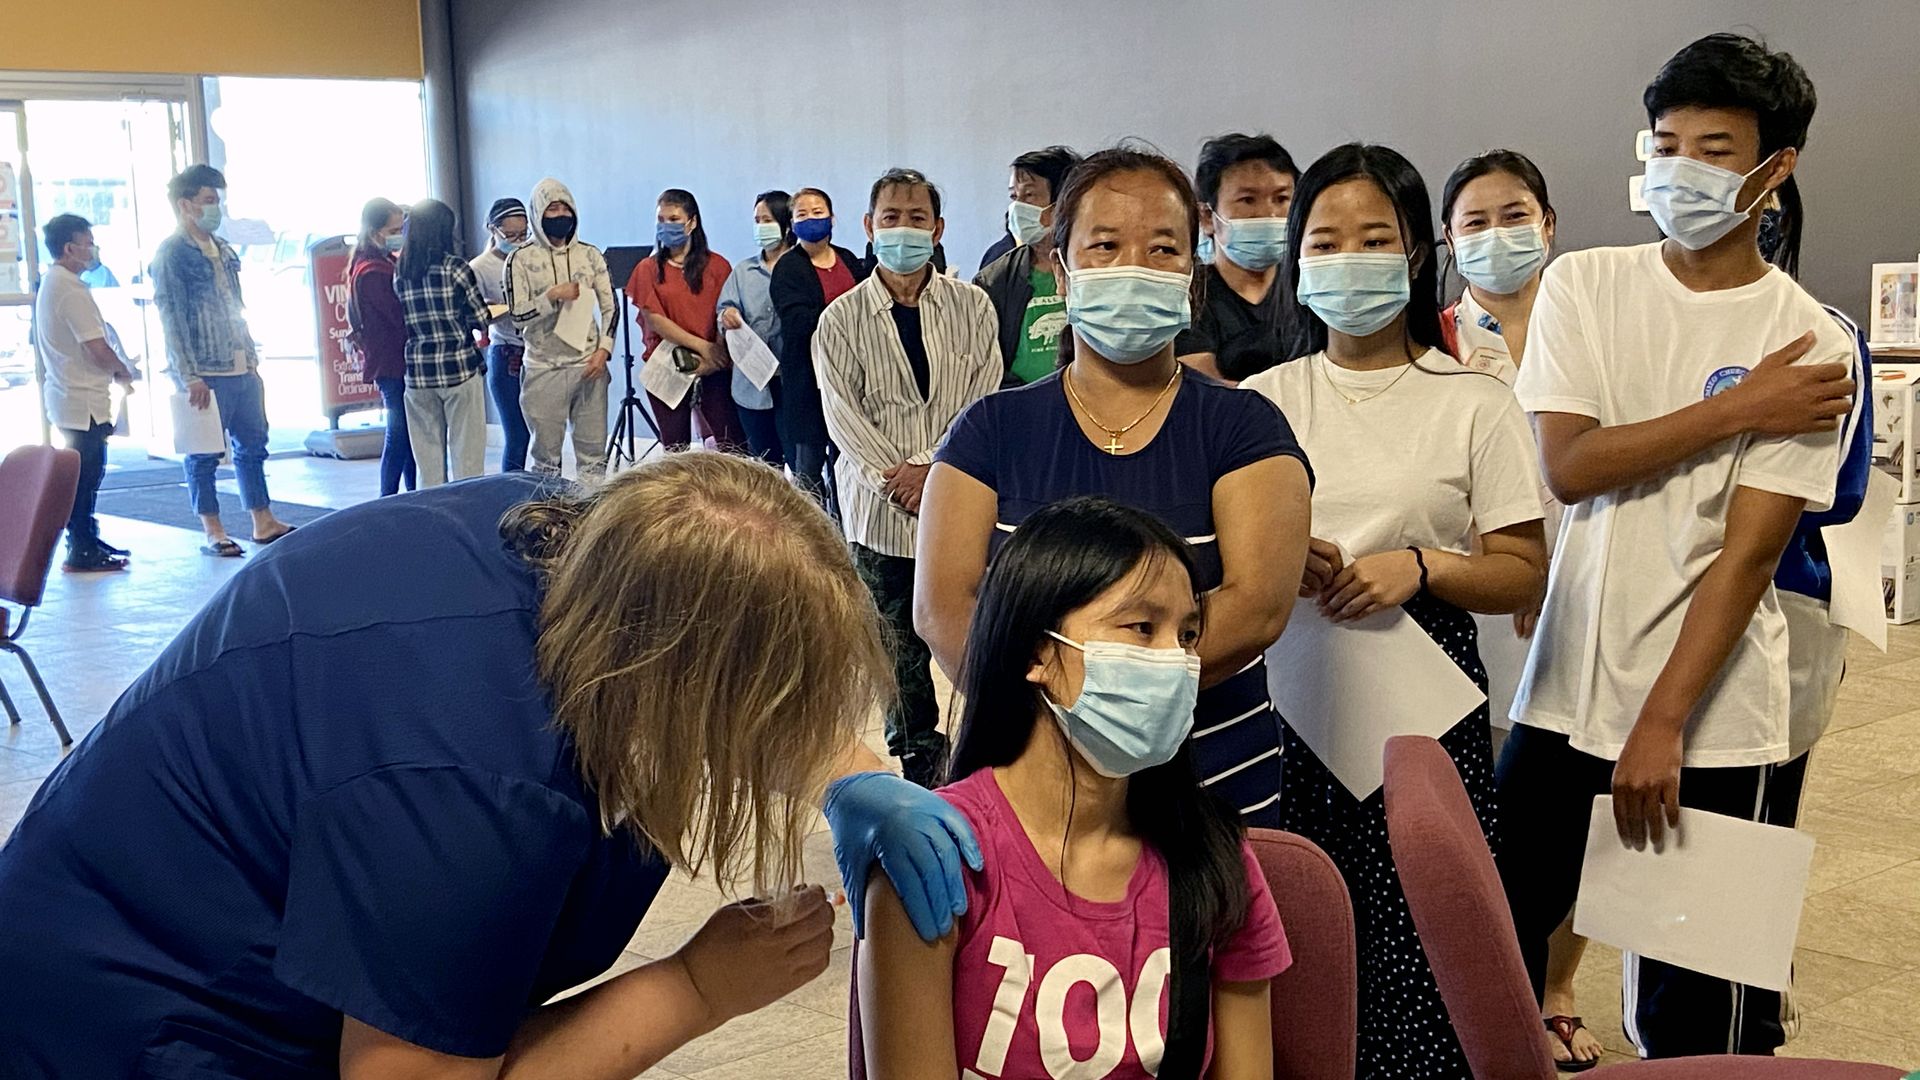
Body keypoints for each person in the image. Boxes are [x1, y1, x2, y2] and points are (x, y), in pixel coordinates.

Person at [0, 452, 985, 1078]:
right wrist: (694, 986)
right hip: (135, 1008)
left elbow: (710, 650)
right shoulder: (475, 784)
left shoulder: (573, 535)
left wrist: (853, 775)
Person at [1498, 33, 1858, 1059]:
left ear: (1774, 169)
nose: (1681, 170)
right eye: (1666, 145)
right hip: (1565, 696)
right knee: (1494, 951)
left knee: (1702, 1017)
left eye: (1714, 149)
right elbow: (1572, 465)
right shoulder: (1585, 286)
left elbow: (1748, 555)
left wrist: (1662, 722)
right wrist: (1740, 407)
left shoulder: (1812, 341)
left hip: (1716, 718)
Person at [1241, 142, 1550, 1078]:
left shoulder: (1474, 401)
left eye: (1375, 239)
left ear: (1417, 253)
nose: (1350, 259)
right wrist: (1279, 560)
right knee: (1298, 926)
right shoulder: (1262, 403)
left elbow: (1521, 572)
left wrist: (1422, 566)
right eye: (1325, 240)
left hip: (1422, 702)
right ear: (1298, 257)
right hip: (1289, 696)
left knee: (1425, 921)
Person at [915, 146, 1311, 828]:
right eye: (1105, 245)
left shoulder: (1245, 427)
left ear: (1191, 276)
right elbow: (944, 606)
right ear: (1062, 270)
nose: (1134, 266)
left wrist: (1122, 698)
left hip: (1212, 778)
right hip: (1031, 778)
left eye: (1163, 249)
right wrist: (1062, 709)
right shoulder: (990, 430)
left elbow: (1257, 606)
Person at [859, 496, 1291, 1079]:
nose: (1176, 662)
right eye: (1142, 628)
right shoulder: (938, 855)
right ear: (1037, 651)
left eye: (1188, 635)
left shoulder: (1212, 855)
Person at [814, 168, 1000, 787]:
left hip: (959, 501)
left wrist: (934, 471)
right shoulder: (840, 319)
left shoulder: (973, 306)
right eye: (890, 218)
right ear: (869, 228)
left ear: (937, 229)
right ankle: (918, 752)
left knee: (974, 626)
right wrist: (900, 479)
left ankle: (988, 739)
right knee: (895, 643)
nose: (903, 229)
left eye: (917, 218)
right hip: (879, 509)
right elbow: (843, 415)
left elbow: (982, 398)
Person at [151, 164, 295, 557]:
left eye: (217, 199)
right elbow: (172, 317)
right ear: (185, 205)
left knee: (253, 444)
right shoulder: (172, 254)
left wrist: (250, 358)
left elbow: (236, 305)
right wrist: (188, 374)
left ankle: (262, 519)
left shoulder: (223, 248)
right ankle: (213, 529)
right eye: (208, 200)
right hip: (204, 370)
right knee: (203, 453)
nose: (215, 208)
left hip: (241, 364)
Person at [34, 212, 136, 572]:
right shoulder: (70, 290)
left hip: (71, 397)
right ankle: (81, 546)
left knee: (85, 476)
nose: (93, 250)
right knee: (85, 478)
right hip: (82, 401)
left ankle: (86, 538)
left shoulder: (54, 283)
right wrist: (122, 370)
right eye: (88, 243)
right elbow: (96, 346)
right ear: (69, 248)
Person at [507, 178, 616, 483]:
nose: (560, 216)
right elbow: (517, 315)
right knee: (546, 459)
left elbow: (611, 307)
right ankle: (547, 511)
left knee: (593, 456)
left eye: (565, 209)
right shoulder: (520, 259)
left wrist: (604, 350)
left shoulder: (590, 255)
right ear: (538, 213)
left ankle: (591, 507)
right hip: (544, 368)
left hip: (589, 365)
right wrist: (551, 296)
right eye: (552, 209)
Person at [771, 186, 869, 516]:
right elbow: (797, 321)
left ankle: (847, 525)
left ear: (832, 218)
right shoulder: (788, 267)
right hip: (807, 381)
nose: (811, 219)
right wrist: (843, 316)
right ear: (792, 223)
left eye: (818, 212)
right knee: (808, 470)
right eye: (802, 214)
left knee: (848, 464)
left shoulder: (848, 260)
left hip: (850, 378)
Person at [1175, 133, 1300, 384]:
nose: (1269, 213)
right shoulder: (1190, 292)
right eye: (1247, 200)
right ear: (1207, 217)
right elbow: (1202, 383)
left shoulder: (1308, 284)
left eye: (1281, 199)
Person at [629, 188, 744, 451]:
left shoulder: (718, 266)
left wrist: (714, 356)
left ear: (691, 222)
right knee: (675, 448)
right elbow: (656, 320)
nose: (666, 226)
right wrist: (703, 347)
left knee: (732, 444)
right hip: (669, 363)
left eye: (674, 219)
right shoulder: (647, 269)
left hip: (715, 364)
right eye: (661, 220)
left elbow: (725, 310)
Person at [392, 199, 490, 488]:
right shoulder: (455, 268)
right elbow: (480, 317)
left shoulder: (401, 270)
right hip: (459, 368)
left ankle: (431, 512)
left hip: (418, 373)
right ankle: (466, 512)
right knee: (467, 459)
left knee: (428, 464)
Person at [1441, 150, 1558, 381]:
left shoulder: (1586, 322)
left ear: (1548, 224)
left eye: (1515, 216)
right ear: (1450, 239)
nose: (1496, 235)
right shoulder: (1428, 341)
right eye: (1476, 222)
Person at [972, 145, 1082, 386]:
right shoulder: (994, 279)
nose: (1017, 208)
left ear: (1063, 202)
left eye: (1029, 196)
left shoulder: (1090, 269)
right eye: (1014, 197)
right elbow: (984, 360)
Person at [717, 190, 795, 467]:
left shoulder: (800, 266)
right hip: (751, 381)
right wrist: (727, 315)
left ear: (786, 223)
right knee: (764, 463)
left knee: (798, 461)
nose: (761, 227)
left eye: (768, 220)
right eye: (757, 220)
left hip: (790, 379)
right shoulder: (743, 271)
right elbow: (724, 308)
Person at [346, 197, 415, 497]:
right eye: (394, 230)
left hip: (390, 359)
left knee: (407, 434)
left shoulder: (376, 262)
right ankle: (388, 497)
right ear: (375, 232)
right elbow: (397, 317)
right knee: (399, 434)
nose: (399, 235)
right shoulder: (374, 271)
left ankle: (411, 492)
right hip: (391, 361)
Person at [472, 197, 533, 471]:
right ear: (493, 230)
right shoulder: (479, 267)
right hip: (506, 351)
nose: (518, 241)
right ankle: (509, 489)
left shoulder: (533, 258)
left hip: (537, 351)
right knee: (517, 435)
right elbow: (476, 316)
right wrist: (510, 307)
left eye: (523, 234)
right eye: (510, 235)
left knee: (543, 434)